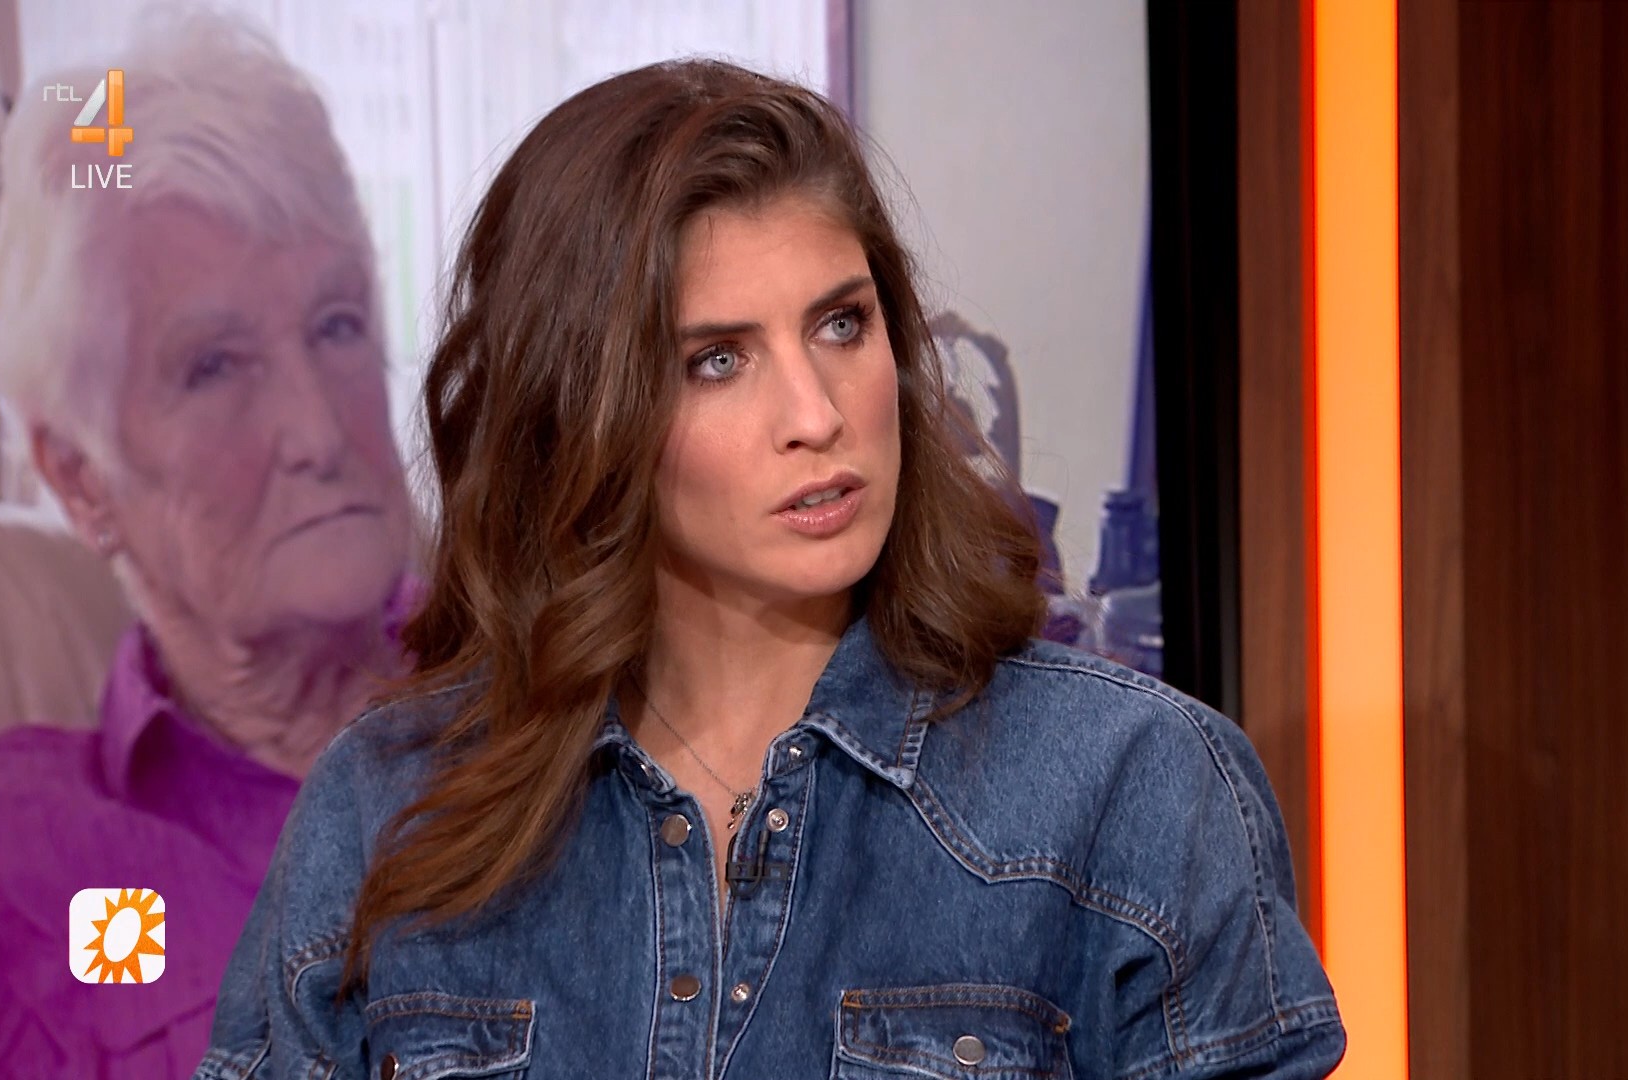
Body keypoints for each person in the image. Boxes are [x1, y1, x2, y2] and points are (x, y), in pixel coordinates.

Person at [198, 60, 1342, 1080]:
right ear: (577, 411)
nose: (817, 413)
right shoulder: (384, 807)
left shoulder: (1133, 786)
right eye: (717, 360)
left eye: (841, 326)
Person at [0, 13, 416, 1078]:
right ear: (79, 477)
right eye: (213, 365)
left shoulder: (568, 696)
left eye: (336, 324)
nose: (318, 431)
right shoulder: (22, 863)